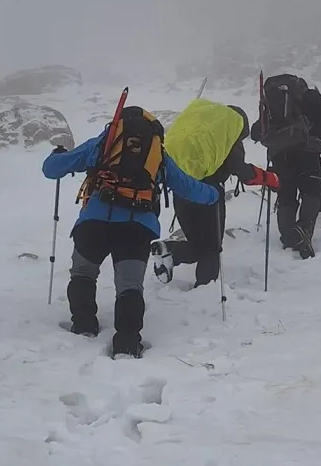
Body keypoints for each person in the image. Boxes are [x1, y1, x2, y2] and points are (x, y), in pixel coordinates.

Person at [41, 106, 219, 358]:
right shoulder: (157, 156)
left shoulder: (101, 146)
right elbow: (188, 187)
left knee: (83, 273)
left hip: (94, 222)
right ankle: (126, 341)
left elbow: (51, 170)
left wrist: (57, 155)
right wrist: (213, 194)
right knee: (129, 285)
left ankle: (83, 326)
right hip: (137, 227)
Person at [149, 99, 280, 287]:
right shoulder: (227, 138)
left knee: (197, 245)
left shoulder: (204, 135)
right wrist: (268, 179)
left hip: (182, 189)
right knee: (211, 248)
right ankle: (205, 290)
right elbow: (241, 170)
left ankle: (170, 251)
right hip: (209, 194)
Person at [250, 73, 321, 259]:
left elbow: (255, 132)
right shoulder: (310, 97)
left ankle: (288, 236)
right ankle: (303, 230)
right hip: (308, 152)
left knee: (286, 194)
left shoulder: (271, 106)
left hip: (279, 156)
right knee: (312, 191)